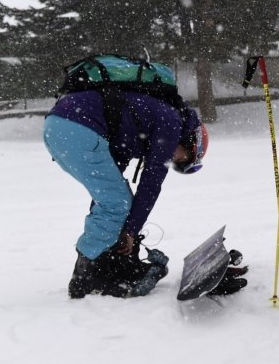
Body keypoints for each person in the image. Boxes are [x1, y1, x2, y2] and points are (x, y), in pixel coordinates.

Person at [44, 78, 207, 298]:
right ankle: (87, 277)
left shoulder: (144, 122)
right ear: (189, 141)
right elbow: (151, 183)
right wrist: (130, 230)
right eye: (181, 157)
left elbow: (115, 174)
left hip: (60, 125)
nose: (174, 159)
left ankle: (110, 262)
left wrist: (126, 229)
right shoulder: (171, 122)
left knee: (115, 196)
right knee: (116, 201)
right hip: (78, 127)